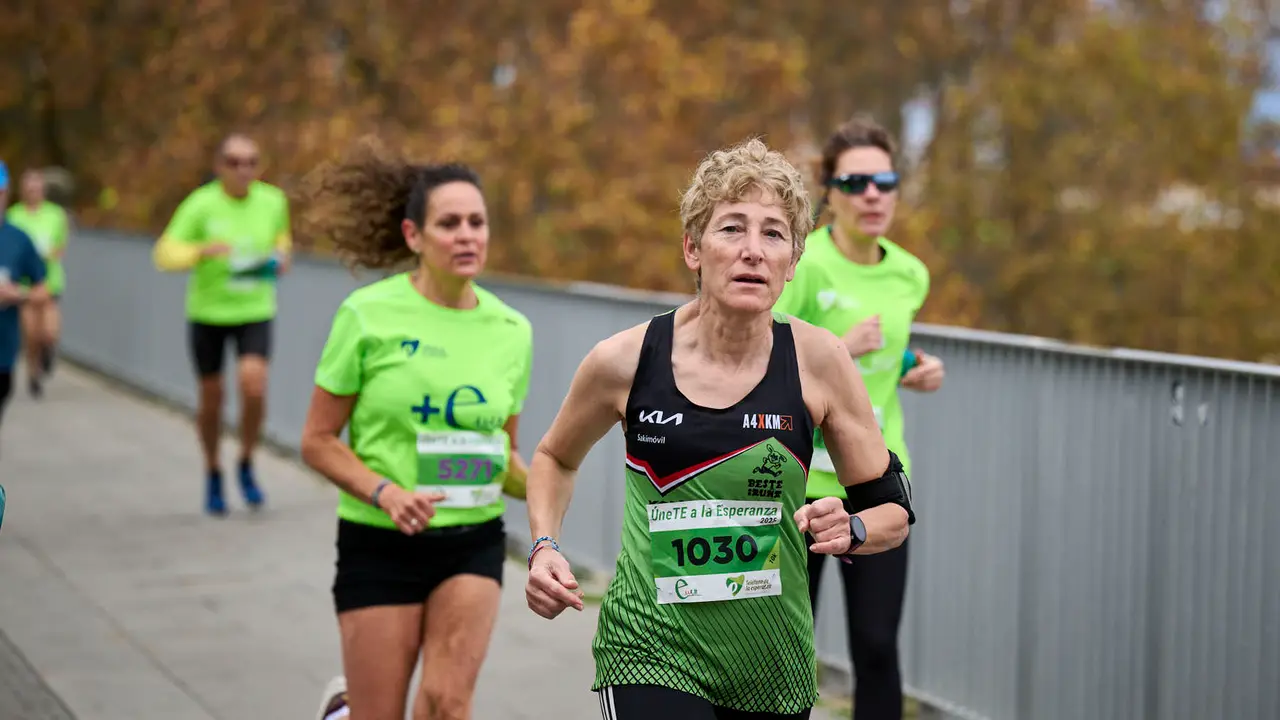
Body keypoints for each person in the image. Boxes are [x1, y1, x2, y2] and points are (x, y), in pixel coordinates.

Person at [523, 138, 916, 719]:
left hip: (771, 662)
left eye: (773, 234)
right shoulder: (624, 360)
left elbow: (894, 511)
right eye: (732, 229)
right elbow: (555, 458)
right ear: (693, 249)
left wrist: (853, 527)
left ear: (793, 262)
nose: (753, 252)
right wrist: (544, 545)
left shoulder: (820, 361)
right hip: (650, 651)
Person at [297, 138, 534, 720]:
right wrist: (386, 493)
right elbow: (317, 440)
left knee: (448, 704)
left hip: (473, 541)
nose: (467, 235)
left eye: (477, 222)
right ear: (414, 236)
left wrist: (552, 487)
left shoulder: (512, 331)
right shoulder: (366, 316)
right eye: (449, 223)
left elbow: (501, 455)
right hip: (380, 541)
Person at [774, 114, 944, 720]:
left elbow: (884, 351)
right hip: (798, 489)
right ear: (831, 192)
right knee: (788, 650)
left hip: (873, 485)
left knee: (876, 646)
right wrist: (840, 345)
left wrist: (912, 365)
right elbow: (768, 357)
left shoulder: (909, 273)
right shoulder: (804, 264)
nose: (872, 195)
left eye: (885, 181)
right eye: (856, 184)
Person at [152, 133, 293, 515]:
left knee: (253, 384)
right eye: (233, 162)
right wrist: (200, 251)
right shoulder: (201, 205)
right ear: (219, 167)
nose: (243, 170)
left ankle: (246, 460)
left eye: (251, 162)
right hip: (208, 313)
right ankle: (213, 469)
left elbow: (282, 240)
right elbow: (164, 253)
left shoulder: (273, 201)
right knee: (212, 398)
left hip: (254, 309)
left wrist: (281, 257)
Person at [6, 169, 70, 396]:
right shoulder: (14, 215)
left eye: (37, 188)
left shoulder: (55, 215)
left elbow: (61, 245)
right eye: (29, 189)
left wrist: (48, 252)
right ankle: (33, 375)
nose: (33, 192)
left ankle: (47, 353)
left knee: (50, 331)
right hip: (22, 284)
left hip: (48, 280)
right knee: (31, 333)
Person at [0, 161, 49, 434]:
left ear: (6, 194)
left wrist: (18, 293)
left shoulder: (18, 240)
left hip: (3, 352)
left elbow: (43, 289)